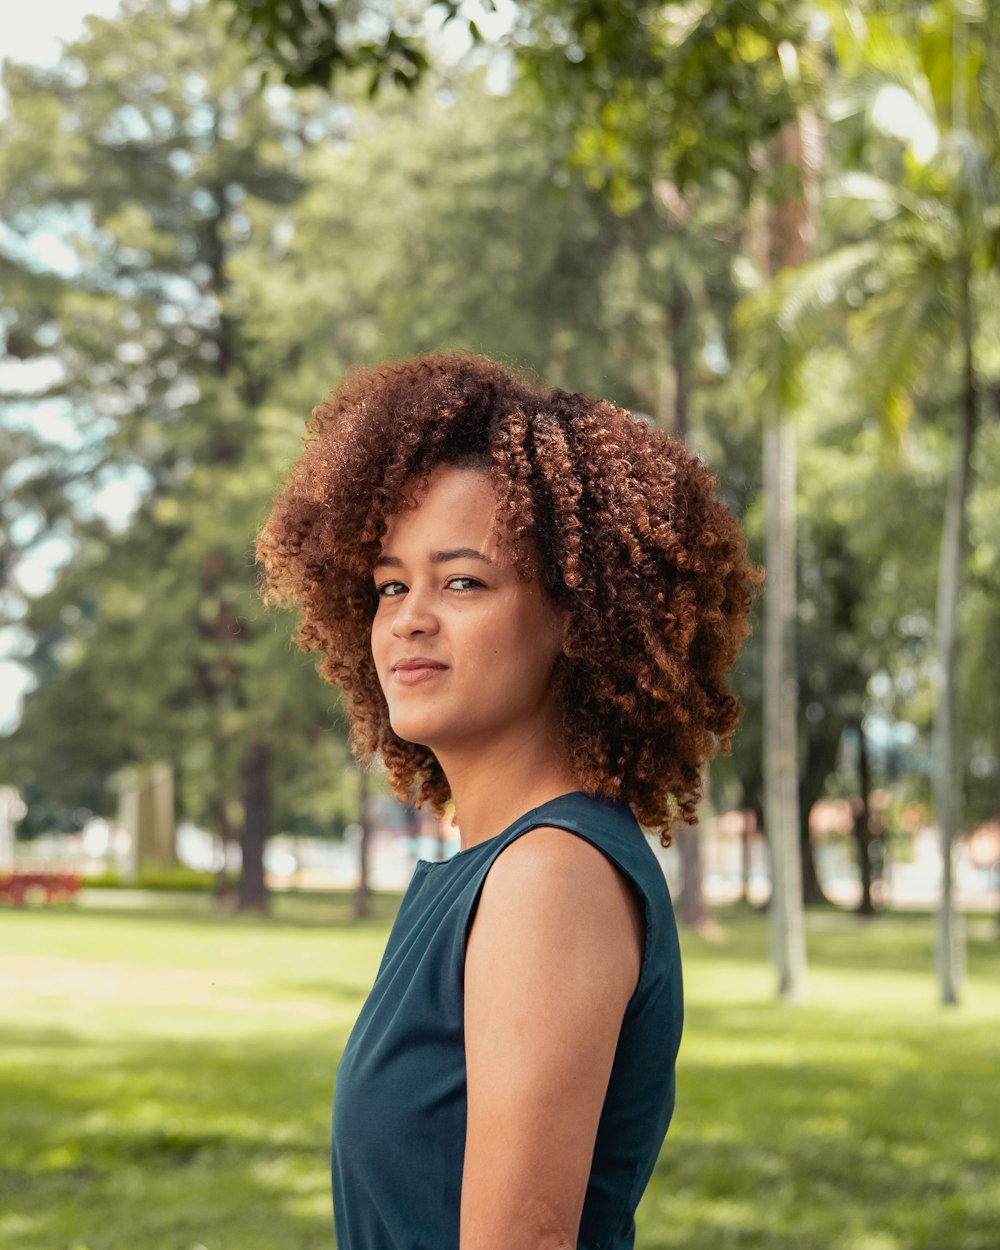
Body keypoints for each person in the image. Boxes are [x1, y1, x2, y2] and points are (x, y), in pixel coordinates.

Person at [256, 352, 761, 1250]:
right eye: (389, 585)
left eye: (462, 581)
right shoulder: (494, 871)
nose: (409, 617)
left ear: (580, 615)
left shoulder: (550, 877)